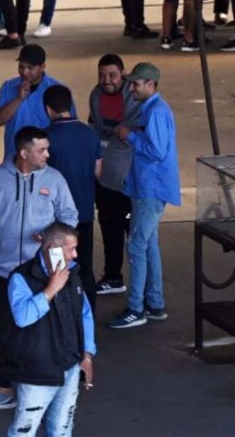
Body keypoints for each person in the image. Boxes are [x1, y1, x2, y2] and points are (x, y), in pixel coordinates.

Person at [0, 126, 78, 412]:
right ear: (23, 153)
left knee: (42, 330)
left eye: (47, 148)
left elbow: (70, 216)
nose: (47, 154)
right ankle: (4, 389)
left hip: (39, 274)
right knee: (3, 330)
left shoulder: (54, 179)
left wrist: (50, 235)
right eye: (41, 149)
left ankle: (42, 389)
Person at [4, 222, 95, 437]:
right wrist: (50, 291)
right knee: (24, 431)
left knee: (62, 429)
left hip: (70, 367)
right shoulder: (21, 278)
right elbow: (22, 318)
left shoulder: (73, 275)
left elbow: (85, 315)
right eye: (70, 249)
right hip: (37, 372)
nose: (75, 255)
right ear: (53, 248)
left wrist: (87, 355)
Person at [108, 63, 180, 329]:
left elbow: (157, 151)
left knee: (137, 245)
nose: (131, 88)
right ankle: (154, 302)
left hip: (151, 188)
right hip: (146, 186)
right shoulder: (152, 109)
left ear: (151, 84)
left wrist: (131, 136)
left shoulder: (156, 112)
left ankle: (136, 308)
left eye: (136, 84)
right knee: (148, 244)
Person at [43, 85, 101, 313]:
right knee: (85, 268)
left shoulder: (46, 138)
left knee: (57, 268)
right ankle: (88, 315)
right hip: (85, 212)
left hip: (57, 219)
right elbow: (98, 171)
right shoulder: (90, 133)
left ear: (48, 110)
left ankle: (62, 315)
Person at [88, 54, 141, 296]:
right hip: (104, 177)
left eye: (112, 75)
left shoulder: (134, 98)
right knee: (109, 228)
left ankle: (144, 285)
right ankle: (112, 276)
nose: (106, 80)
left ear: (123, 74)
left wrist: (120, 136)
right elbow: (97, 129)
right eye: (102, 75)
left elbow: (132, 134)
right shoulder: (95, 96)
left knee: (137, 235)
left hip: (129, 180)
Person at [0, 44, 74, 161]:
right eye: (21, 67)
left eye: (30, 68)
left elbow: (69, 127)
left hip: (48, 160)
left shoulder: (58, 89)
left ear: (43, 67)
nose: (24, 72)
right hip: (16, 157)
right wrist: (18, 99)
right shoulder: (8, 87)